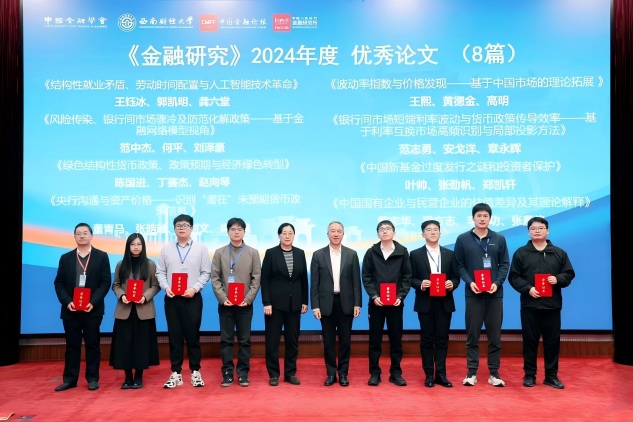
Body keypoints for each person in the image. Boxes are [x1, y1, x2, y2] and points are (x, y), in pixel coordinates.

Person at [509, 217, 575, 389]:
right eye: (533, 228)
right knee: (529, 341)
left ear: (547, 230)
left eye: (540, 228)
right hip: (529, 305)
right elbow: (514, 277)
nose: (537, 231)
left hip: (552, 305)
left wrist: (558, 279)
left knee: (552, 341)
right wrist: (528, 289)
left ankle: (551, 376)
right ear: (528, 232)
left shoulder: (559, 253)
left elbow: (569, 274)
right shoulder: (521, 253)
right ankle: (529, 375)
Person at [454, 203, 510, 387]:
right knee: (472, 335)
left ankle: (494, 373)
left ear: (490, 218)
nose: (482, 219)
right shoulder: (463, 239)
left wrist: (497, 283)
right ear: (473, 218)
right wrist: (470, 282)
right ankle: (471, 372)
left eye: (485, 216)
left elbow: (504, 264)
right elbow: (459, 265)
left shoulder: (499, 238)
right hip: (473, 294)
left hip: (494, 294)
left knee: (495, 336)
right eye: (479, 215)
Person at [53, 223, 112, 391]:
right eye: (78, 233)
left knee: (93, 344)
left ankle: (92, 379)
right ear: (74, 236)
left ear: (91, 236)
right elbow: (59, 283)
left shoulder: (102, 256)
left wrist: (93, 302)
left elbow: (105, 282)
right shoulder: (65, 258)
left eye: (85, 233)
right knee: (72, 345)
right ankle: (70, 379)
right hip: (70, 309)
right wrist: (67, 301)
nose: (82, 236)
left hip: (92, 309)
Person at [156, 214, 212, 389]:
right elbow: (160, 272)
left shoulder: (201, 249)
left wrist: (194, 288)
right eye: (178, 225)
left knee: (193, 335)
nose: (181, 228)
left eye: (185, 225)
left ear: (192, 228)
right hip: (172, 298)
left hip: (192, 298)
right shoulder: (166, 249)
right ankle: (176, 373)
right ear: (174, 229)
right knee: (174, 336)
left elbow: (206, 272)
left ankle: (195, 371)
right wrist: (166, 287)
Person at [211, 218, 262, 388]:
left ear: (244, 232)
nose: (236, 232)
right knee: (226, 340)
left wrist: (248, 299)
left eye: (240, 229)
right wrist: (222, 298)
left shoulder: (253, 253)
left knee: (244, 340)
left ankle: (242, 372)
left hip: (244, 305)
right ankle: (227, 372)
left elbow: (256, 279)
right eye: (233, 229)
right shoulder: (219, 253)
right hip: (225, 305)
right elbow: (215, 278)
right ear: (227, 232)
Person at [410, 220, 460, 388]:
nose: (432, 232)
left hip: (444, 302)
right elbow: (409, 278)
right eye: (428, 230)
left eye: (435, 229)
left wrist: (452, 284)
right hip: (425, 301)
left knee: (442, 339)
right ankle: (428, 375)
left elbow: (456, 277)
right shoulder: (415, 254)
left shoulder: (450, 254)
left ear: (440, 233)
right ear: (422, 234)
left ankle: (441, 374)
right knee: (426, 339)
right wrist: (420, 284)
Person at [310, 221, 362, 387]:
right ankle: (331, 373)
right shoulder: (318, 255)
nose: (336, 234)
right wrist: (315, 306)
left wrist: (357, 304)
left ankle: (343, 373)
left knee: (345, 342)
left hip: (346, 303)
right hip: (326, 304)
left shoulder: (351, 254)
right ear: (327, 234)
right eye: (332, 231)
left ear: (343, 234)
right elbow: (314, 284)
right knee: (329, 342)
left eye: (339, 231)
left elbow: (356, 282)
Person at [362, 220, 412, 387]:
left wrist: (401, 296)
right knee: (374, 340)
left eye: (388, 229)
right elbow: (366, 277)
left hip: (396, 303)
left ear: (394, 233)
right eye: (381, 229)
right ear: (378, 234)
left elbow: (407, 276)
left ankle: (396, 373)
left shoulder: (402, 252)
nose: (385, 231)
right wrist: (374, 295)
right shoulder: (371, 252)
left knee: (396, 339)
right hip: (376, 303)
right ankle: (374, 373)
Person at [109, 233, 161, 389]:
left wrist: (145, 297)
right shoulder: (121, 264)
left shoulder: (150, 264)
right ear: (128, 246)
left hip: (143, 310)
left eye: (139, 244)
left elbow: (155, 285)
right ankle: (127, 377)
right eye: (132, 244)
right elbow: (116, 285)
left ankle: (138, 376)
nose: (136, 247)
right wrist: (122, 295)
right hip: (125, 310)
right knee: (124, 345)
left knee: (141, 345)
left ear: (143, 246)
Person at [261, 223, 309, 386]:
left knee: (292, 341)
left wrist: (304, 301)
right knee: (272, 341)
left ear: (294, 235)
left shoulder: (300, 253)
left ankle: (290, 373)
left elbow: (303, 279)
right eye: (284, 233)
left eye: (290, 233)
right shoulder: (271, 253)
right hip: (274, 306)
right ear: (279, 235)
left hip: (294, 305)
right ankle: (273, 374)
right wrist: (266, 302)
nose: (287, 236)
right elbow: (265, 280)